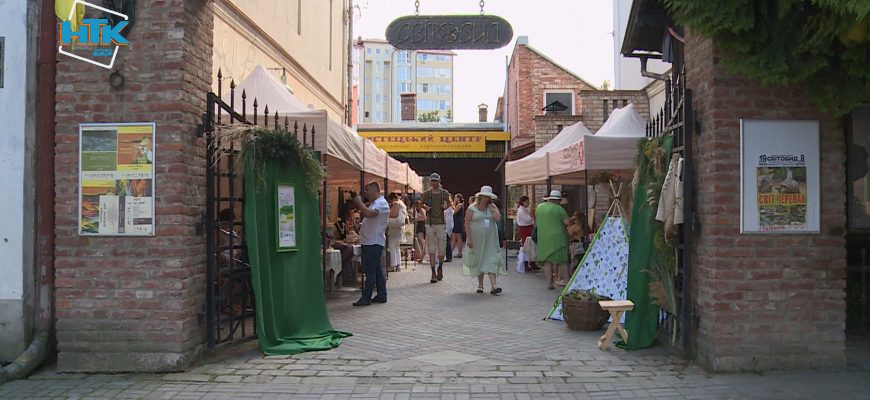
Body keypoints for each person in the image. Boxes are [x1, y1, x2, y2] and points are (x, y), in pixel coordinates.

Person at [351, 181, 390, 306]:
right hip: (370, 241)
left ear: (375, 190)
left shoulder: (381, 204)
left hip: (373, 242)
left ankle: (366, 297)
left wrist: (359, 203)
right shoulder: (376, 203)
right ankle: (381, 294)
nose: (366, 194)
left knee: (370, 271)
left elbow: (369, 213)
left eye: (368, 191)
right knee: (376, 269)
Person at [463, 185, 507, 295]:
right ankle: (480, 285)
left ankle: (494, 286)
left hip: (491, 239)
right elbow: (467, 223)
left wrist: (493, 210)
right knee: (480, 259)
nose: (487, 199)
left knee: (492, 258)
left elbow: (498, 219)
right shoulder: (472, 208)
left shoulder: (492, 207)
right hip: (477, 239)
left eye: (489, 197)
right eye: (486, 197)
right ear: (481, 197)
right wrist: (469, 238)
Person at [535, 190, 571, 290]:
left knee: (547, 261)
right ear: (558, 200)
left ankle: (549, 284)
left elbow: (537, 221)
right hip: (558, 238)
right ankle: (567, 283)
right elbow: (567, 222)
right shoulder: (559, 209)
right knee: (563, 261)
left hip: (543, 237)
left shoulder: (539, 207)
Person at [421, 173, 451, 283]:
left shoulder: (444, 193)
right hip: (429, 223)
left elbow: (449, 203)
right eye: (432, 181)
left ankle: (440, 266)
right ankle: (433, 272)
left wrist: (446, 206)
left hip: (441, 223)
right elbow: (420, 204)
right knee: (431, 249)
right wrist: (425, 207)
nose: (434, 183)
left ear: (439, 181)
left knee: (442, 248)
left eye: (435, 181)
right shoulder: (426, 194)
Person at [387, 192, 408, 273]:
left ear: (392, 199)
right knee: (397, 246)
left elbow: (394, 214)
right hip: (401, 227)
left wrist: (387, 214)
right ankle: (398, 264)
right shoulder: (403, 204)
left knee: (392, 245)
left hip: (395, 226)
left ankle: (393, 265)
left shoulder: (396, 203)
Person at [514, 196, 536, 271]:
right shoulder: (521, 211)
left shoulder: (525, 209)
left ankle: (532, 262)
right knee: (526, 246)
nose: (528, 203)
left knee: (532, 246)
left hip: (529, 228)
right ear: (523, 202)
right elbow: (528, 220)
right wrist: (532, 212)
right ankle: (526, 263)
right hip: (525, 228)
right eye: (527, 202)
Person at [450, 193, 466, 259]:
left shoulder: (459, 205)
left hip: (458, 222)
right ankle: (450, 251)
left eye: (456, 197)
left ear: (459, 198)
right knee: (453, 237)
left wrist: (453, 204)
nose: (455, 198)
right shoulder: (458, 205)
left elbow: (454, 212)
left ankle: (460, 253)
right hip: (455, 221)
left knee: (458, 237)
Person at [444, 195, 454, 262]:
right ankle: (448, 256)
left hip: (447, 227)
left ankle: (448, 256)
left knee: (447, 242)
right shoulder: (449, 209)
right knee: (447, 242)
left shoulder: (448, 210)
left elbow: (448, 220)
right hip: (448, 226)